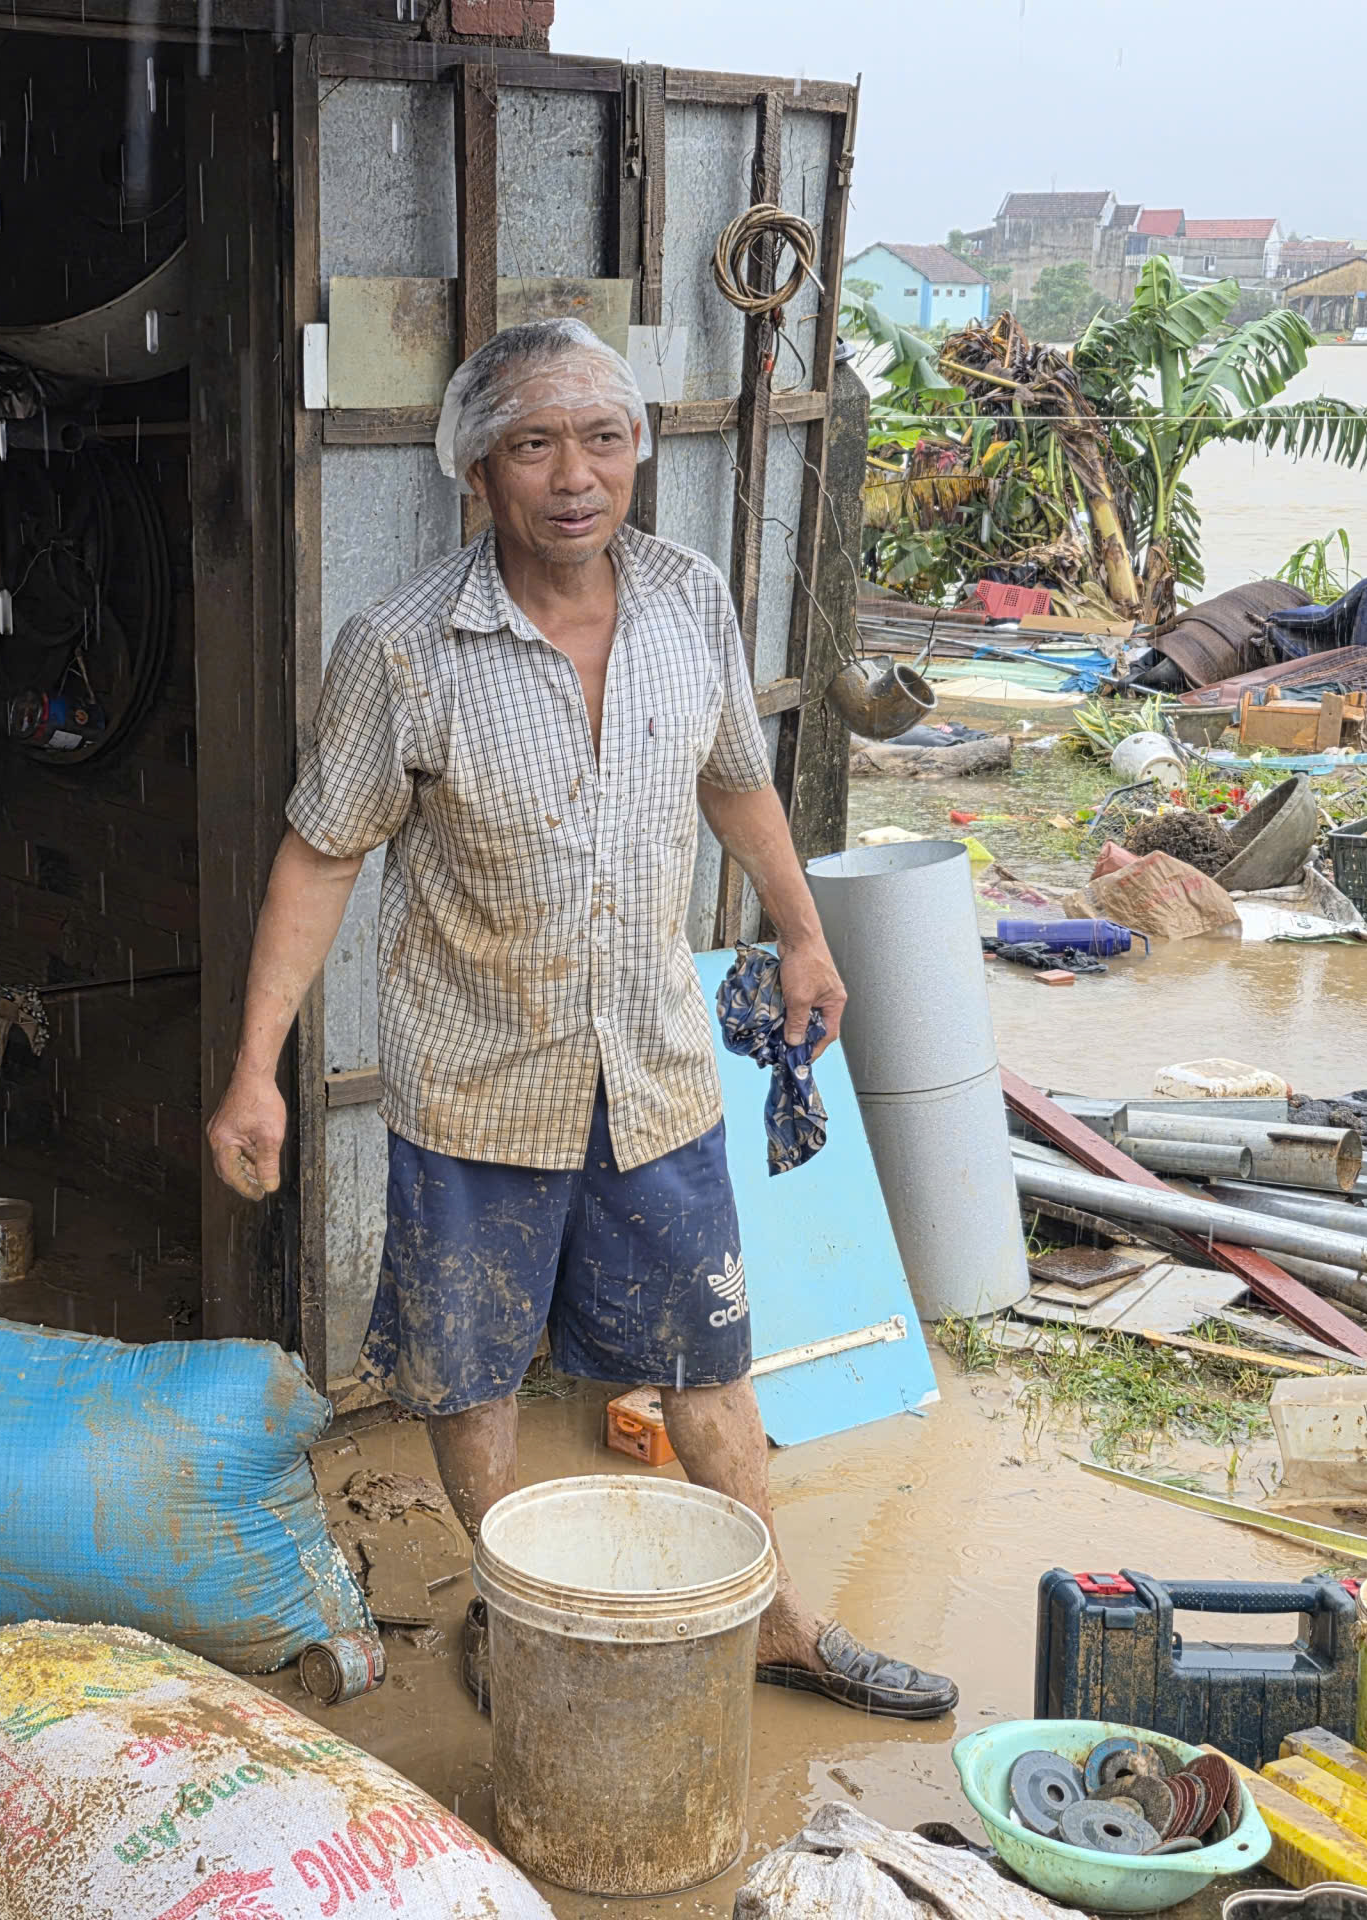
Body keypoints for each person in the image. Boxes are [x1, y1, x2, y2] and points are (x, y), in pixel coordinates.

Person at [203, 318, 954, 1720]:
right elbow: (321, 853)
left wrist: (800, 931)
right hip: (479, 1082)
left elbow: (737, 776)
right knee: (470, 1366)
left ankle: (773, 1616)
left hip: (655, 1075)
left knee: (710, 1363)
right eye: (534, 444)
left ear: (639, 455)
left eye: (602, 439)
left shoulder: (688, 602)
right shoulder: (404, 646)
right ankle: (513, 1608)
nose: (573, 476)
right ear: (477, 472)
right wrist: (258, 1069)